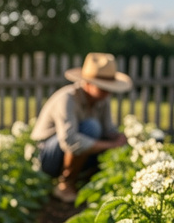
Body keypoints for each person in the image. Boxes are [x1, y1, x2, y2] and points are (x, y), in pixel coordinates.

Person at [31, 52, 133, 202]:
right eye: (102, 88)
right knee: (91, 128)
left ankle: (83, 181)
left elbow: (108, 130)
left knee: (96, 132)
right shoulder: (67, 99)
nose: (107, 93)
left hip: (67, 152)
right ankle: (65, 184)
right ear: (88, 83)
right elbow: (70, 141)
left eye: (109, 88)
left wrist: (120, 137)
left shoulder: (101, 101)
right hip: (44, 155)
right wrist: (111, 145)